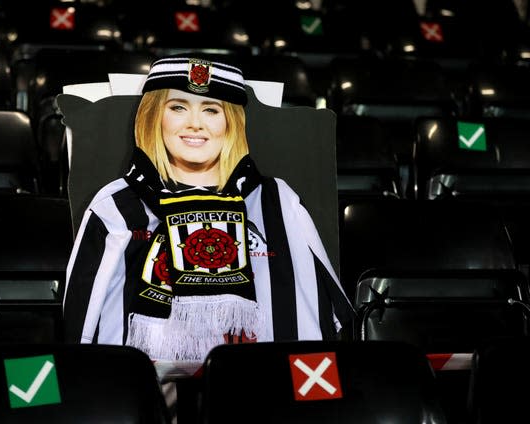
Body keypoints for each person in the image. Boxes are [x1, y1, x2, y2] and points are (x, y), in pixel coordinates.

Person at [63, 54, 355, 363]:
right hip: (144, 396)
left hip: (261, 393)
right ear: (152, 117)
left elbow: (319, 318)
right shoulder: (116, 204)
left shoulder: (277, 200)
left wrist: (310, 402)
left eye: (211, 110)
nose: (195, 123)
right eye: (177, 107)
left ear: (231, 122)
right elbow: (79, 327)